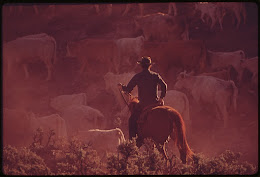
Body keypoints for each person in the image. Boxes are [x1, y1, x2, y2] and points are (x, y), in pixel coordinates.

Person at [118, 56, 167, 139]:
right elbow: (164, 86)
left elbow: (128, 89)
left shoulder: (138, 76)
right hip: (154, 104)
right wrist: (161, 98)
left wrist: (121, 87)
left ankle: (133, 141)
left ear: (141, 66)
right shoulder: (155, 75)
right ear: (150, 66)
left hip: (143, 105)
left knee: (132, 121)